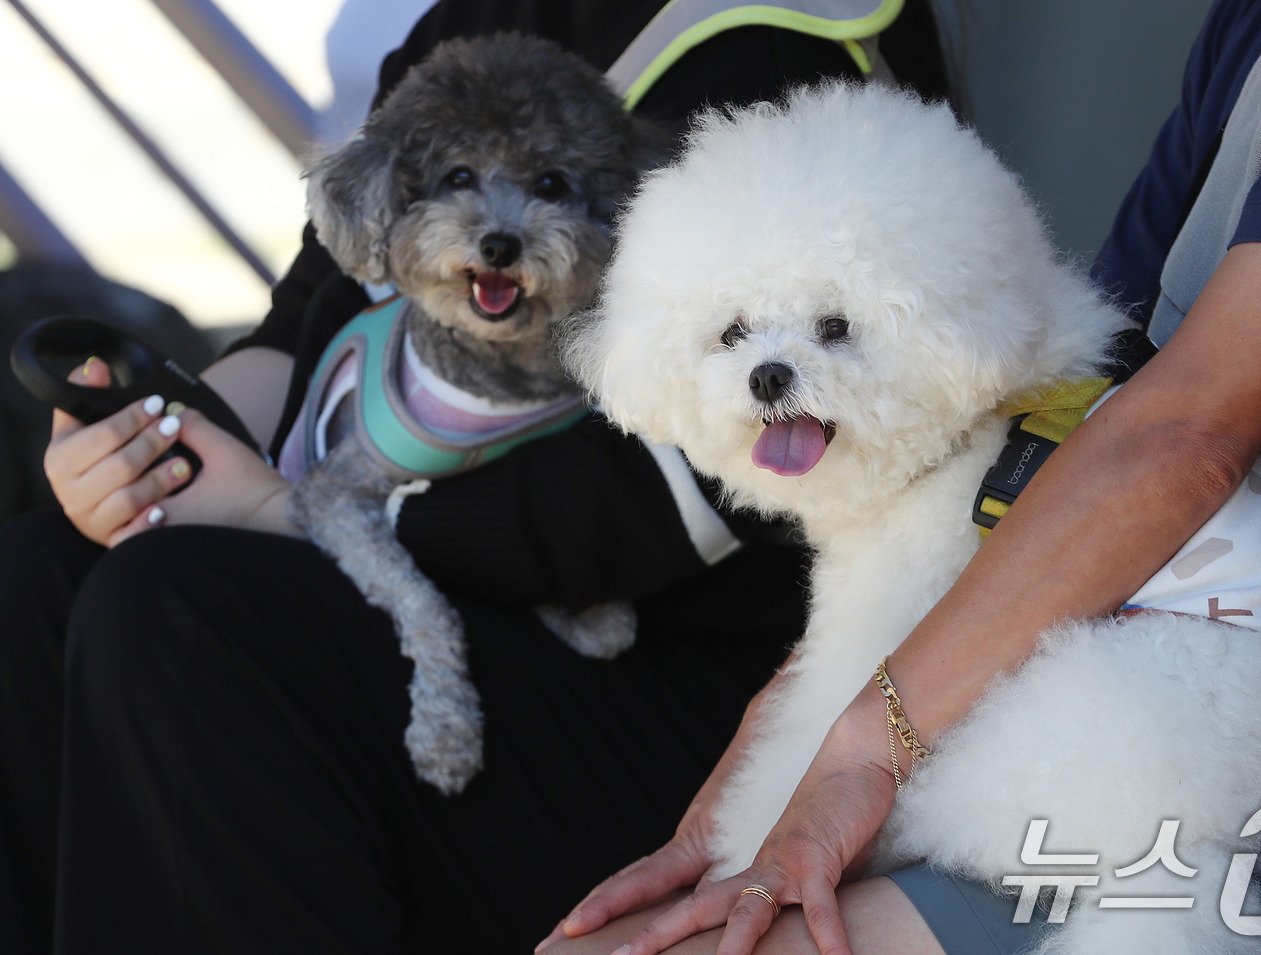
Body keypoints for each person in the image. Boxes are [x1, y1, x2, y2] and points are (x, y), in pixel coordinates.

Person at [0, 2, 955, 952]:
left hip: (708, 678)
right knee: (41, 576)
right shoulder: (475, 24)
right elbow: (313, 315)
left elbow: (681, 489)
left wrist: (286, 516)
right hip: (463, 565)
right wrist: (148, 444)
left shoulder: (783, 49)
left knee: (181, 616)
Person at [541, 0, 1261, 951]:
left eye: (834, 329)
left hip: (1223, 755)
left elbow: (1182, 443)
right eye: (737, 335)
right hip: (1198, 729)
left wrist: (836, 766)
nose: (770, 372)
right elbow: (1120, 354)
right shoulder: (1259, 22)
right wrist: (766, 751)